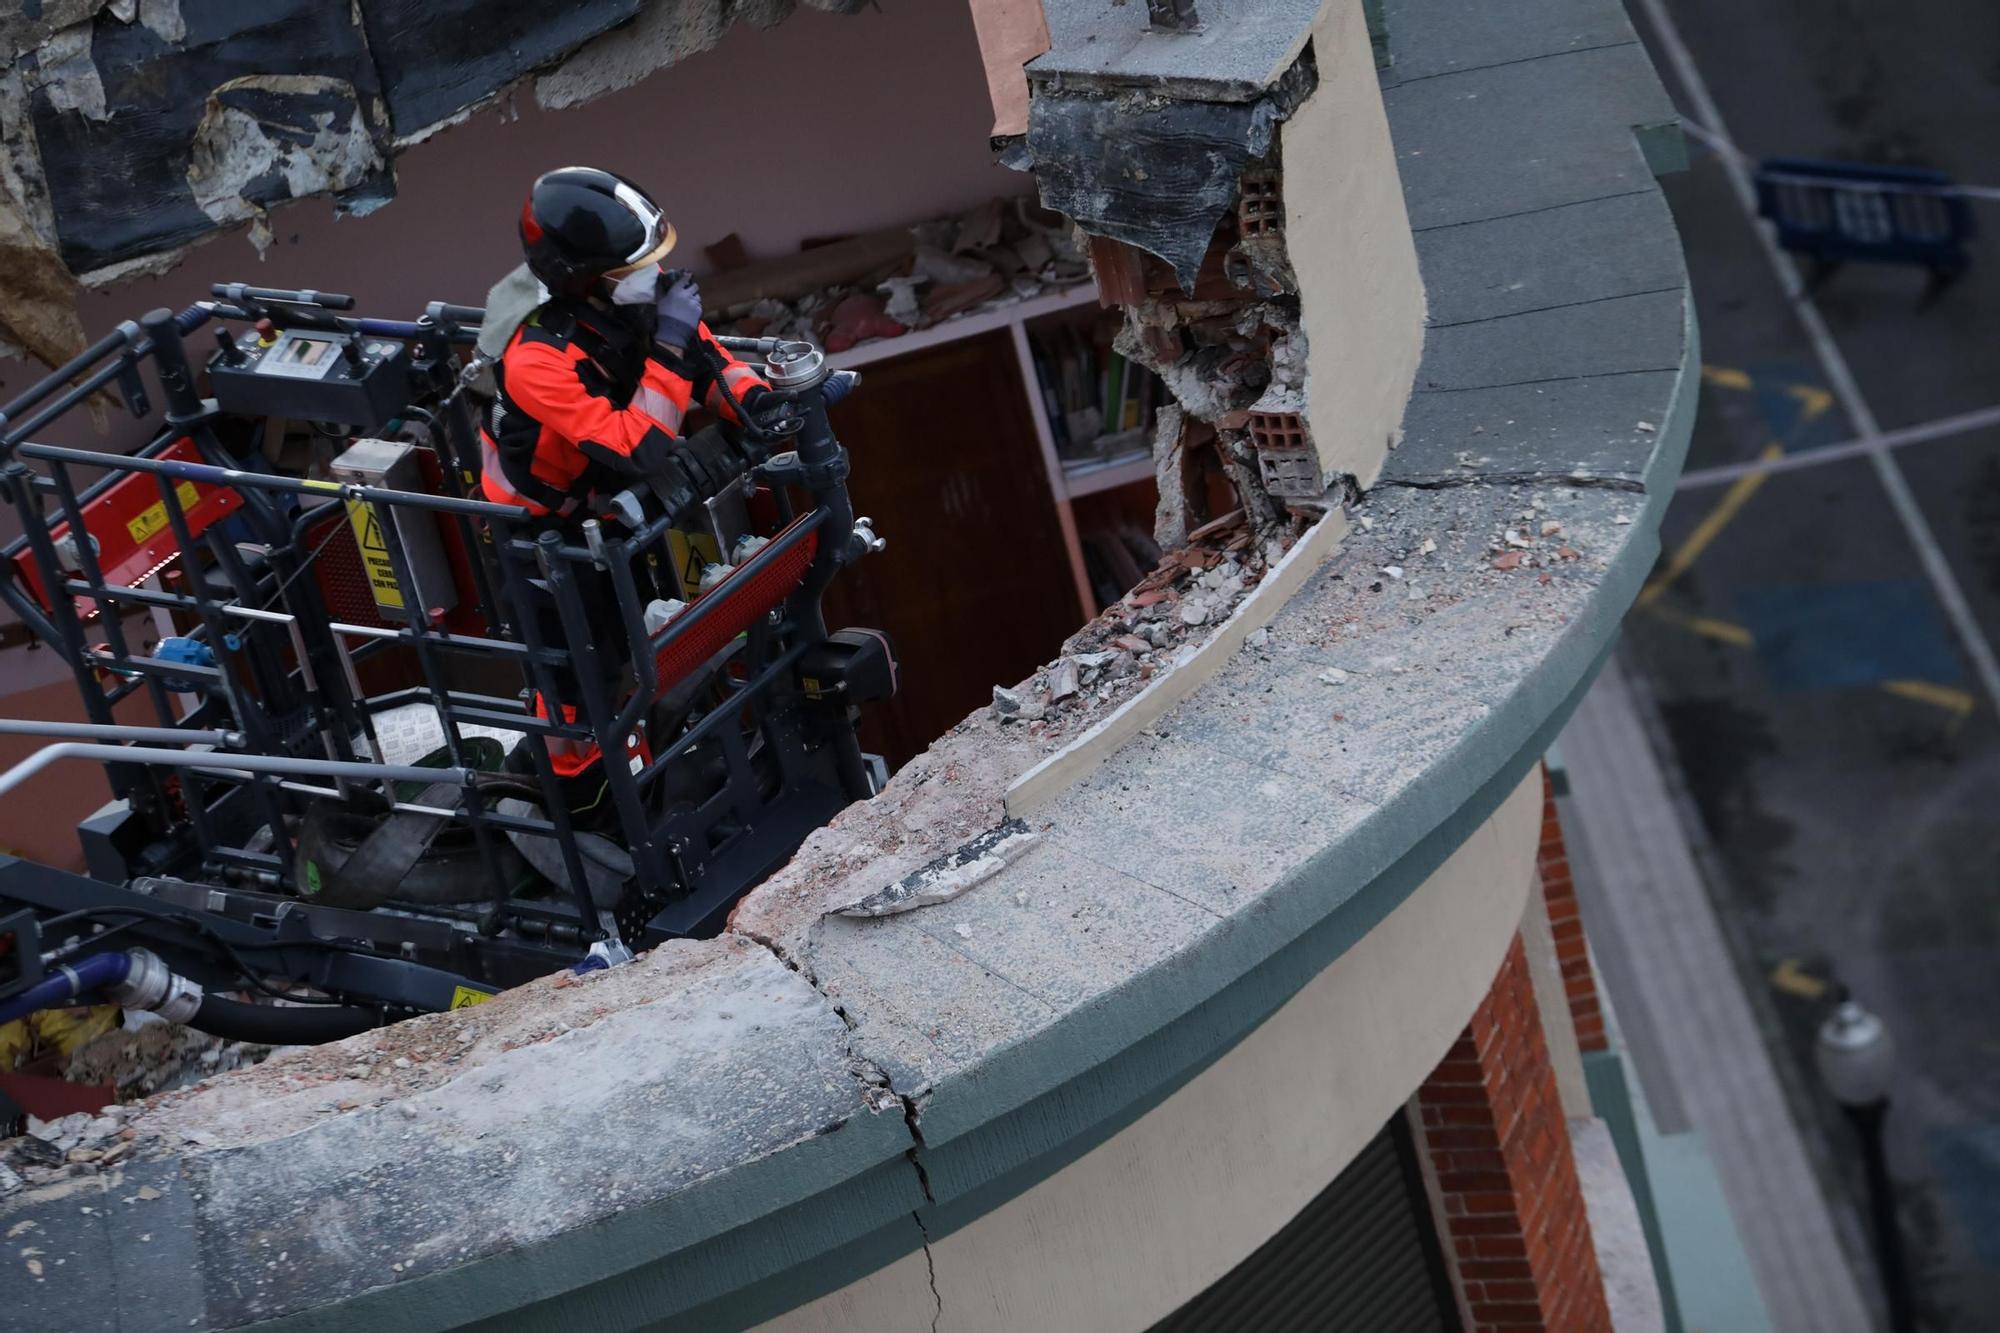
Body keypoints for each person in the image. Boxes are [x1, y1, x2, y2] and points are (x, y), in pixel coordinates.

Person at [479, 166, 775, 789]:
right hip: (540, 537)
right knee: (579, 676)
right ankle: (583, 792)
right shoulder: (537, 359)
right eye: (633, 268)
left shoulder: (647, 309)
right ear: (584, 281)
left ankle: (650, 764)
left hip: (604, 514)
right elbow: (638, 446)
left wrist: (768, 401)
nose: (656, 275)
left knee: (641, 643)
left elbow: (711, 370)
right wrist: (668, 343)